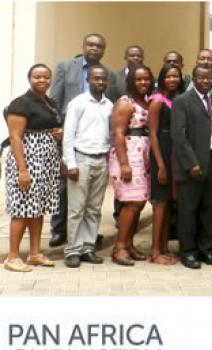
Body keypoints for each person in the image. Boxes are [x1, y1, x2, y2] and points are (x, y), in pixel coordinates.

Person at [49, 33, 116, 248]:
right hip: (68, 136)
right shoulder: (66, 66)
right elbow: (55, 99)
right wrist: (58, 126)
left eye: (99, 46)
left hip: (94, 141)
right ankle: (60, 231)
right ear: (84, 46)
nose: (95, 48)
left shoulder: (109, 76)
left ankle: (87, 238)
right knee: (65, 186)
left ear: (104, 49)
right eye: (91, 44)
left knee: (91, 200)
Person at [3, 64, 61, 272]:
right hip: (28, 160)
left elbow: (46, 126)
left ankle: (35, 253)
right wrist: (22, 170)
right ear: (29, 79)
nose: (42, 80)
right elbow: (15, 137)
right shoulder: (21, 103)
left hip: (46, 162)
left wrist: (56, 133)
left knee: (37, 208)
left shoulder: (49, 102)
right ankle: (12, 256)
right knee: (22, 209)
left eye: (46, 77)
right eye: (37, 77)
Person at [171, 64, 212, 269]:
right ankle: (188, 252)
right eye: (201, 78)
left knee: (210, 210)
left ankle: (207, 250)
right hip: (192, 166)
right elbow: (179, 136)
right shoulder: (182, 101)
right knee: (188, 211)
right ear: (193, 78)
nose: (205, 81)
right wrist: (191, 163)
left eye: (209, 78)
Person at [61, 65, 113, 268]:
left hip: (102, 160)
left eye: (103, 79)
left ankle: (88, 248)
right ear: (89, 80)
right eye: (96, 78)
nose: (100, 82)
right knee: (76, 208)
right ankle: (72, 250)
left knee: (94, 209)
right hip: (81, 159)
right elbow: (68, 134)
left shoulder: (109, 105)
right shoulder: (78, 103)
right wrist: (70, 163)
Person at [108, 65, 154, 266]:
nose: (143, 83)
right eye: (139, 79)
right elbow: (118, 133)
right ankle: (119, 247)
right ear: (131, 82)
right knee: (131, 202)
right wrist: (124, 164)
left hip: (142, 156)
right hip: (127, 155)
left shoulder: (145, 102)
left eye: (147, 79)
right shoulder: (125, 103)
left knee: (139, 202)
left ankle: (128, 244)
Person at [148, 63, 185, 265]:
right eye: (169, 76)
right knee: (160, 204)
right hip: (161, 155)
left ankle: (163, 247)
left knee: (169, 202)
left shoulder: (176, 100)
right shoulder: (156, 101)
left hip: (174, 155)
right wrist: (160, 165)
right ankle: (155, 252)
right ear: (162, 78)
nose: (173, 79)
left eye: (176, 76)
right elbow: (152, 134)